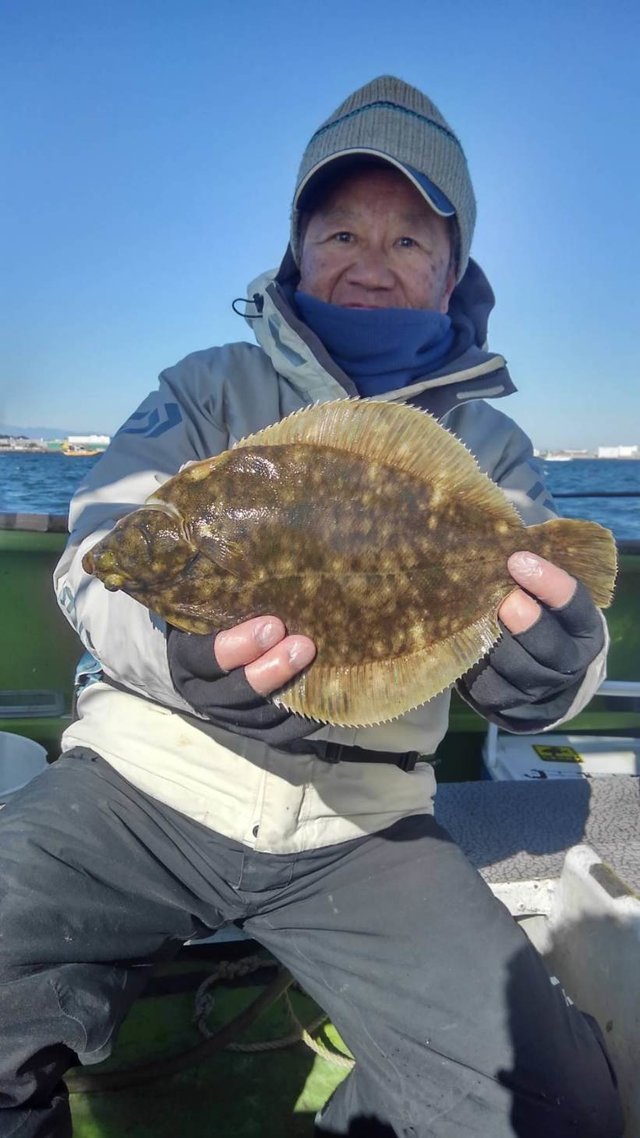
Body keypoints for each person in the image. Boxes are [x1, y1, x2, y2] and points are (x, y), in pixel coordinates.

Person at [0, 76, 623, 1138]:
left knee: (553, 1111)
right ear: (297, 246)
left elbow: (542, 624)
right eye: (341, 231)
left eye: (408, 241)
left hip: (367, 824)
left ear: (453, 270)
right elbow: (100, 556)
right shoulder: (206, 389)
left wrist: (559, 673)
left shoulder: (494, 454)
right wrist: (170, 650)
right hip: (146, 781)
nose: (370, 265)